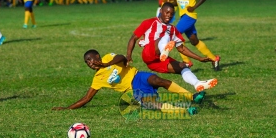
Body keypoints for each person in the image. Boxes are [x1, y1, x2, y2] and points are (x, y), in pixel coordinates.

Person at [52, 49, 206, 115]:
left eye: (90, 60)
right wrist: (67, 108)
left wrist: (106, 64)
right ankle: (185, 111)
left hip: (138, 76)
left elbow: (122, 57)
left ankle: (192, 97)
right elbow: (86, 98)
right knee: (153, 105)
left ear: (97, 57)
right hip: (133, 90)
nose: (90, 63)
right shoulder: (97, 79)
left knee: (158, 80)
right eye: (87, 63)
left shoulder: (107, 58)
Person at [127, 2, 218, 92]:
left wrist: (199, 58)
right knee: (165, 35)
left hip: (156, 62)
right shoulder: (149, 22)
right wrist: (128, 55)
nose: (169, 15)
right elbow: (133, 38)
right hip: (149, 52)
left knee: (183, 67)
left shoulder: (173, 30)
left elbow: (181, 48)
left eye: (171, 14)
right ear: (161, 11)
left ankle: (197, 83)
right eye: (167, 12)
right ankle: (164, 50)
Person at [172, 0, 220, 71]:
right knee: (194, 41)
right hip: (183, 17)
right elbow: (178, 2)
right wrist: (169, 4)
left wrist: (194, 7)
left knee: (174, 35)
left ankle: (187, 62)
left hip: (190, 16)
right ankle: (214, 59)